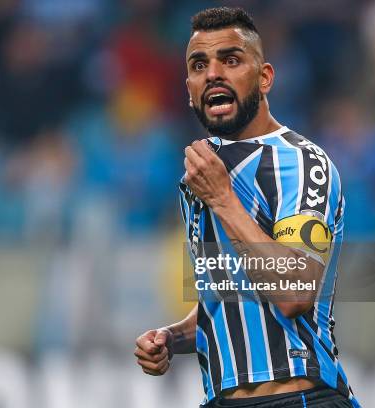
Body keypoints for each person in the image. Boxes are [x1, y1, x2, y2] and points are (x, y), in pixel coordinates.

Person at [134, 7, 360, 408]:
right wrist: (173, 338)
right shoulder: (200, 175)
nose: (213, 73)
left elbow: (294, 292)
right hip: (221, 397)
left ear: (265, 77)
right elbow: (229, 297)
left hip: (300, 397)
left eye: (231, 60)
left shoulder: (301, 163)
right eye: (199, 64)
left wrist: (223, 199)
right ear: (189, 88)